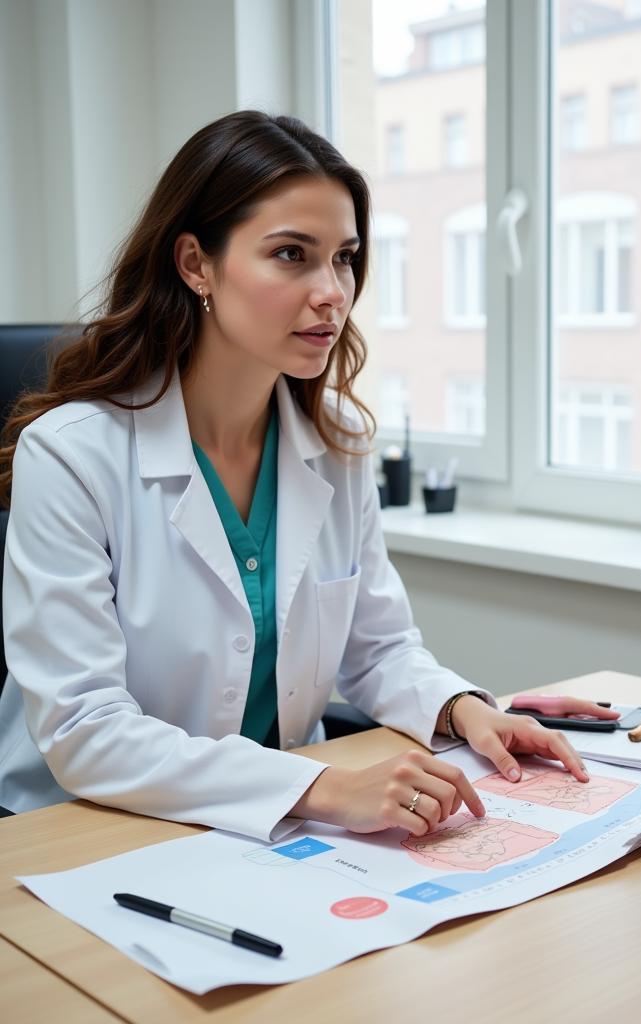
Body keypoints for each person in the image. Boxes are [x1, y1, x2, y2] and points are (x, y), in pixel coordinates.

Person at [0, 110, 594, 843]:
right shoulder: (70, 455)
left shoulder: (333, 446)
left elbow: (380, 649)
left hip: (277, 831)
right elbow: (84, 728)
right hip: (86, 832)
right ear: (195, 265)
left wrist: (467, 711)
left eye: (344, 257)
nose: (333, 292)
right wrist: (325, 787)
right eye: (291, 255)